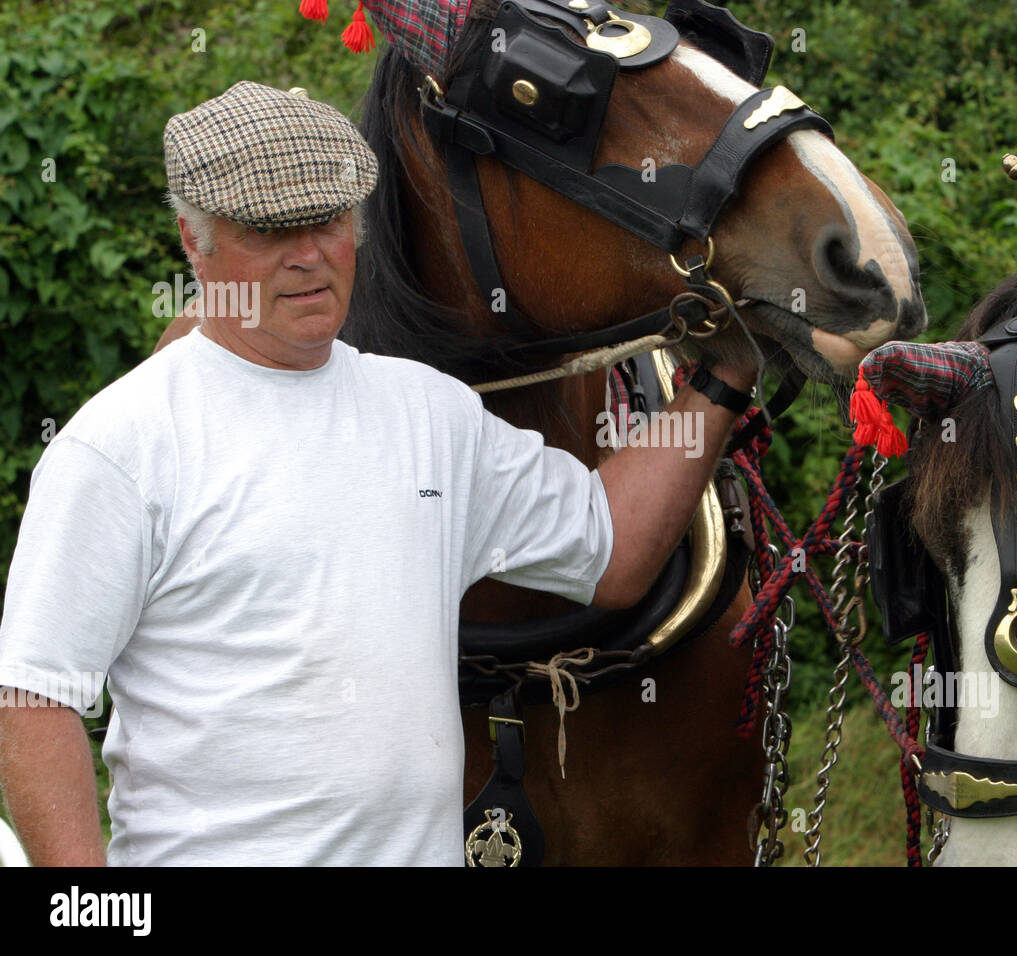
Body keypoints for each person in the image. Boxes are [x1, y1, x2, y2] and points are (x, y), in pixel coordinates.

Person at [0, 81, 758, 866]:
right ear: (194, 241)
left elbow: (612, 546)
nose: (309, 255)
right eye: (268, 228)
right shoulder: (121, 446)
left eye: (329, 219)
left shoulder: (431, 414)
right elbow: (34, 695)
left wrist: (724, 375)